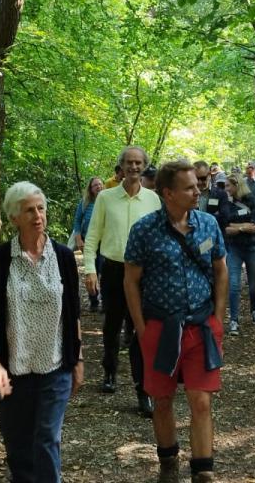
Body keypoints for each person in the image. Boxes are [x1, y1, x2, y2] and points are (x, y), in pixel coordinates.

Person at [123, 160, 228, 483]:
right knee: (163, 399)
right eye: (190, 187)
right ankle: (168, 461)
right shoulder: (144, 230)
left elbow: (222, 270)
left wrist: (219, 318)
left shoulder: (208, 224)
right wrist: (141, 329)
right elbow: (131, 281)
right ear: (168, 193)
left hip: (201, 326)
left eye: (197, 185)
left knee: (200, 400)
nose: (197, 191)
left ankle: (202, 470)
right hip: (159, 327)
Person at [0, 181, 84, 483]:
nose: (38, 215)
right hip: (13, 370)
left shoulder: (62, 256)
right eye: (29, 211)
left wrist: (79, 359)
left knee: (46, 439)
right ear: (13, 219)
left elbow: (73, 312)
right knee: (18, 447)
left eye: (41, 208)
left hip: (55, 366)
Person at [83, 146, 161, 416]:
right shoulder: (105, 197)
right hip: (114, 268)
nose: (134, 167)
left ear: (144, 166)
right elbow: (93, 236)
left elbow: (160, 239)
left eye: (138, 163)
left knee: (141, 328)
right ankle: (110, 372)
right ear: (121, 166)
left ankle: (144, 390)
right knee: (113, 324)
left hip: (145, 272)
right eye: (129, 162)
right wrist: (90, 269)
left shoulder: (154, 200)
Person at [221, 173, 255, 335]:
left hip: (252, 247)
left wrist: (237, 227)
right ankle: (233, 319)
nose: (226, 189)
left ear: (237, 185)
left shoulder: (253, 201)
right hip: (234, 249)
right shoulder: (227, 203)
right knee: (234, 285)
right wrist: (243, 227)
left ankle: (254, 310)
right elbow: (226, 226)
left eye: (228, 186)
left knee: (253, 285)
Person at [71, 176, 105, 311]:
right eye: (95, 185)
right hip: (88, 241)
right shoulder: (85, 202)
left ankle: (106, 301)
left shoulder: (107, 201)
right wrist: (79, 239)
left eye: (100, 184)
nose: (99, 187)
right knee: (91, 270)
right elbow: (77, 222)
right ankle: (94, 301)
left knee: (104, 270)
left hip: (104, 242)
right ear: (90, 189)